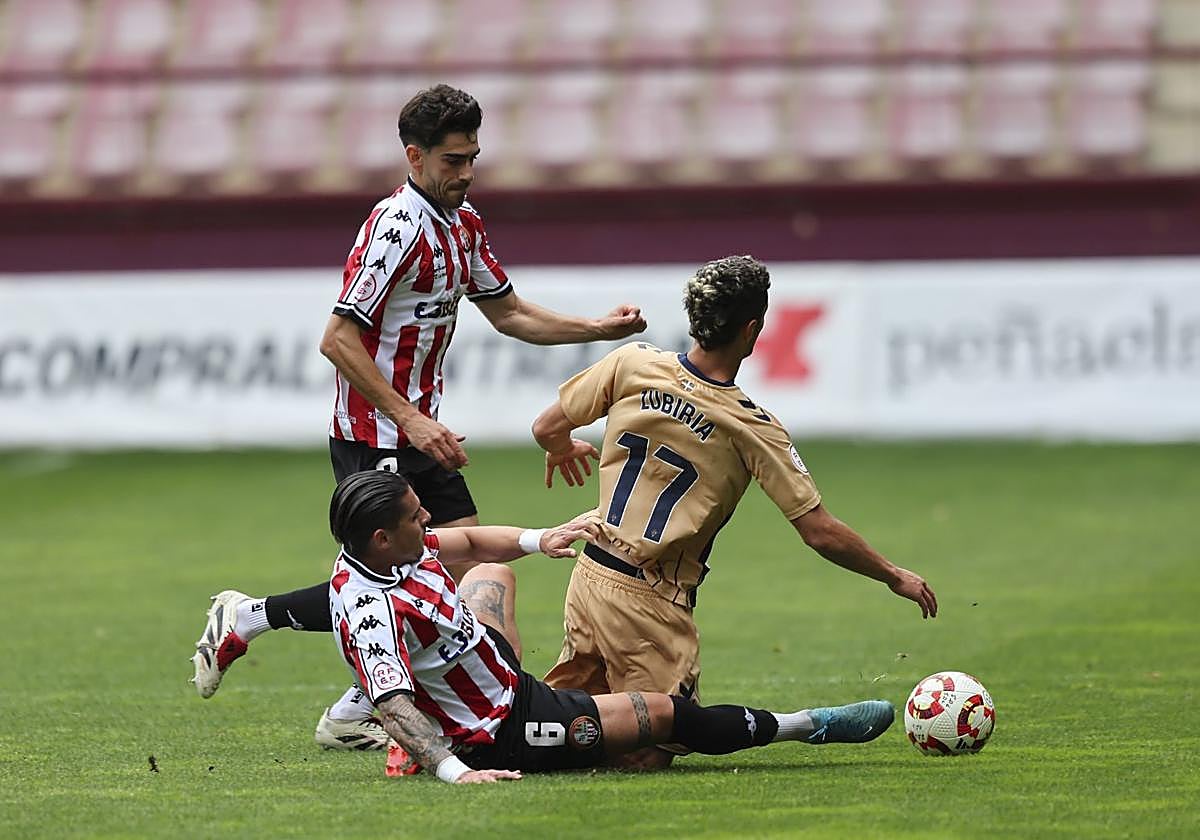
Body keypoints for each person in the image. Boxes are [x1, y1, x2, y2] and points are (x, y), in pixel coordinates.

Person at [190, 83, 646, 750]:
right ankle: (258, 627)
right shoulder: (393, 230)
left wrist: (596, 329)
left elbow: (511, 312)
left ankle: (331, 696)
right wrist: (409, 417)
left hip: (421, 433)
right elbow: (337, 338)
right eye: (453, 161)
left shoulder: (465, 226)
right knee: (396, 583)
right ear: (415, 156)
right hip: (376, 434)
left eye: (473, 159)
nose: (465, 173)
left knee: (455, 580)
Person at [530, 255, 938, 768]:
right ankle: (808, 725)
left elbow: (547, 427)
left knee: (571, 730)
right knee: (650, 750)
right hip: (648, 600)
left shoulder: (631, 363)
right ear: (752, 329)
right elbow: (819, 531)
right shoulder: (752, 426)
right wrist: (891, 574)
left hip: (590, 574)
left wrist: (563, 448)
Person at [324, 469, 897, 782]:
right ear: (381, 538)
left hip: (492, 670)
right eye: (416, 516)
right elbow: (394, 706)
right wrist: (452, 773)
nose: (428, 519)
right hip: (501, 727)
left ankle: (445, 728)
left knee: (491, 572)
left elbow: (471, 541)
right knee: (664, 719)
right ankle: (808, 725)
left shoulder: (392, 550)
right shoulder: (372, 611)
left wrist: (540, 539)